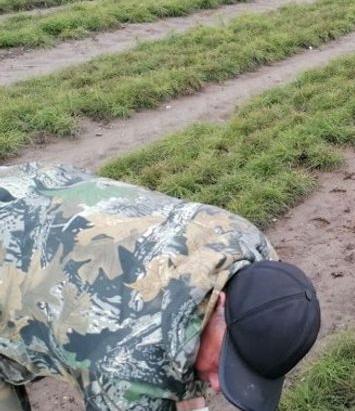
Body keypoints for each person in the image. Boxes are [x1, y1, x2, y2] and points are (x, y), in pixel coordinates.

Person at [0, 163, 321, 411]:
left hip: (34, 187)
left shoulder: (249, 246)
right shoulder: (127, 368)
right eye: (224, 365)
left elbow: (182, 338)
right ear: (220, 303)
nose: (217, 385)